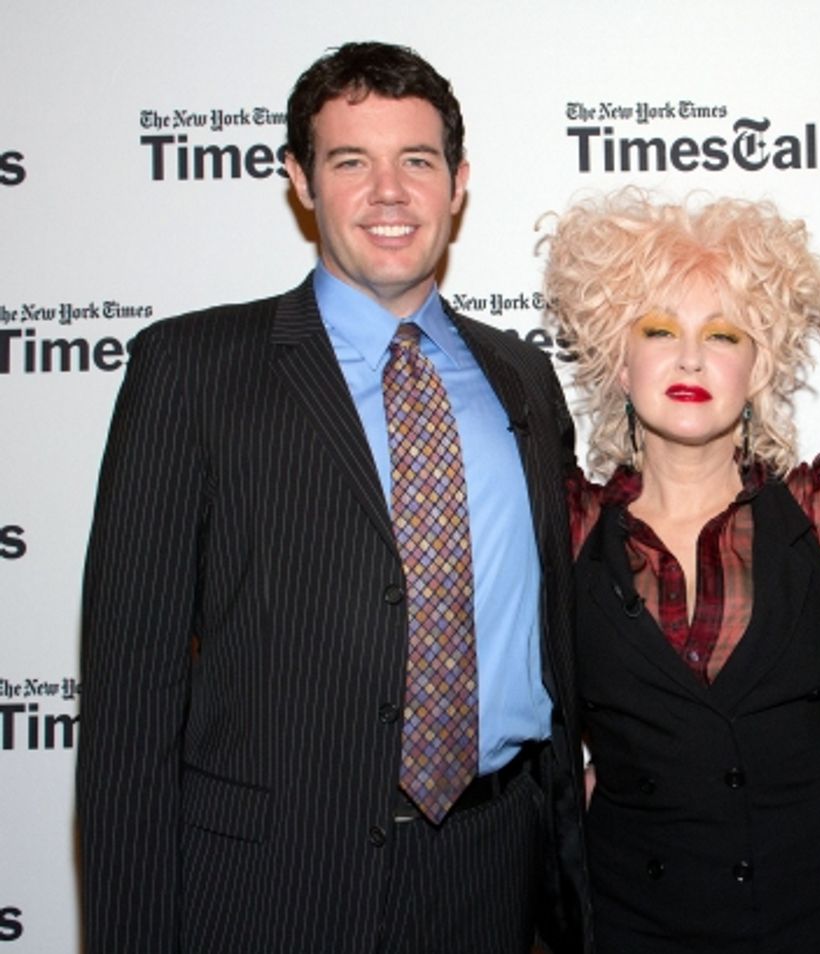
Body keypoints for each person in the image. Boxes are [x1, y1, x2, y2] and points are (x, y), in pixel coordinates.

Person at [78, 42, 587, 954]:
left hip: (492, 870)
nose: (388, 192)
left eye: (417, 161)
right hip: (270, 885)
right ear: (300, 182)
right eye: (351, 161)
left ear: (458, 182)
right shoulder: (191, 371)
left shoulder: (520, 376)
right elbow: (130, 705)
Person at [540, 190, 820, 953]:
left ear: (758, 368)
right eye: (660, 330)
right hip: (631, 922)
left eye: (723, 335)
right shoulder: (568, 525)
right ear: (620, 362)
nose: (690, 358)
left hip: (814, 917)